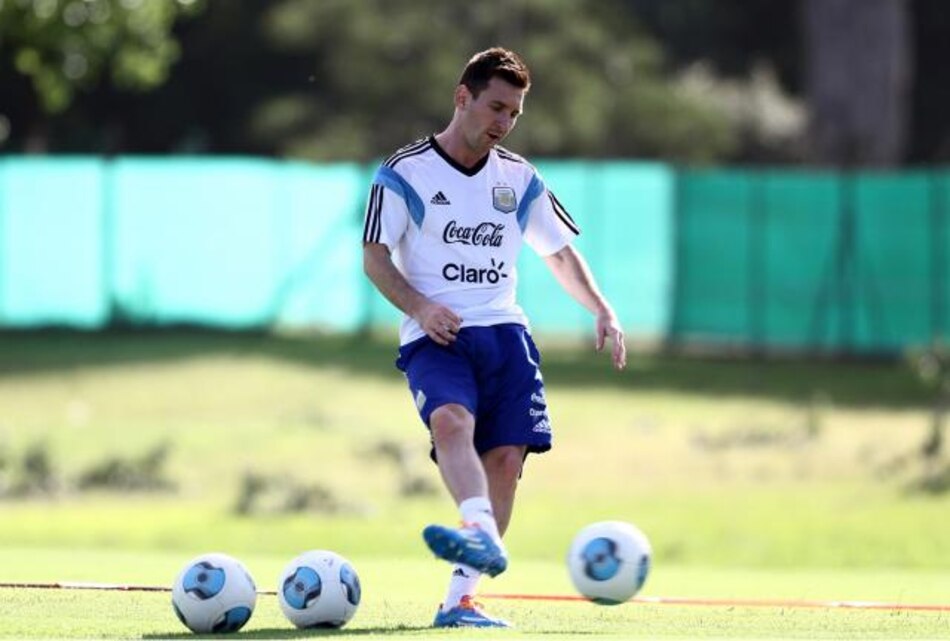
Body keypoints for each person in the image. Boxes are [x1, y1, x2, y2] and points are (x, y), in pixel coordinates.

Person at [361, 47, 626, 628]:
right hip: (439, 337)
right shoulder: (404, 172)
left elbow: (559, 252)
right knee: (451, 423)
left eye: (514, 114)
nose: (503, 123)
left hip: (506, 336)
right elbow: (375, 258)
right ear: (463, 98)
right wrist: (421, 306)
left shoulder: (519, 177)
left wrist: (600, 308)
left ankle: (459, 600)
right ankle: (478, 529)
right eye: (496, 107)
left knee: (506, 458)